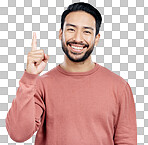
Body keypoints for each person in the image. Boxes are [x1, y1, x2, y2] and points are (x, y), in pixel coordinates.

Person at [5, 2, 137, 145]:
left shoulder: (119, 86)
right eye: (71, 29)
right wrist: (30, 77)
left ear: (96, 38)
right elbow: (18, 134)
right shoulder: (41, 84)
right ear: (61, 33)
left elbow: (126, 141)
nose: (78, 39)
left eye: (86, 31)